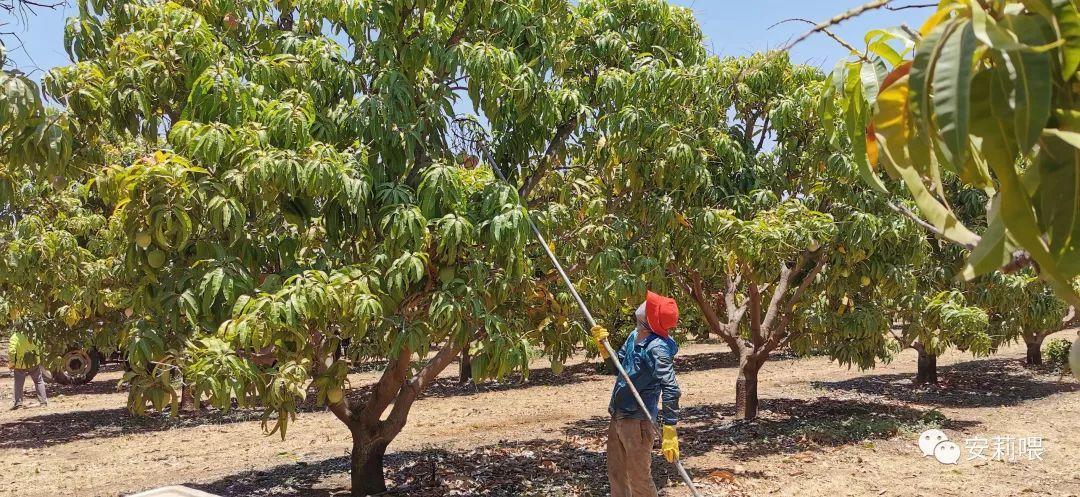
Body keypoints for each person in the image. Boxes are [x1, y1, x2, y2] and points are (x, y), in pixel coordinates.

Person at [590, 291, 681, 497]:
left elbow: (671, 387)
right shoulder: (634, 335)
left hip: (638, 422)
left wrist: (670, 428)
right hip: (619, 415)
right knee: (617, 475)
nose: (642, 304)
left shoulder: (657, 348)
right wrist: (605, 349)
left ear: (650, 319)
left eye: (649, 306)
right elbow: (618, 369)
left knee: (638, 480)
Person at [9, 331, 47, 409]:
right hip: (34, 362)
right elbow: (40, 345)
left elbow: (11, 351)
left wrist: (12, 362)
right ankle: (43, 402)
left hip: (20, 364)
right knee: (38, 381)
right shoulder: (34, 334)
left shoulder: (15, 336)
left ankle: (18, 404)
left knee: (18, 383)